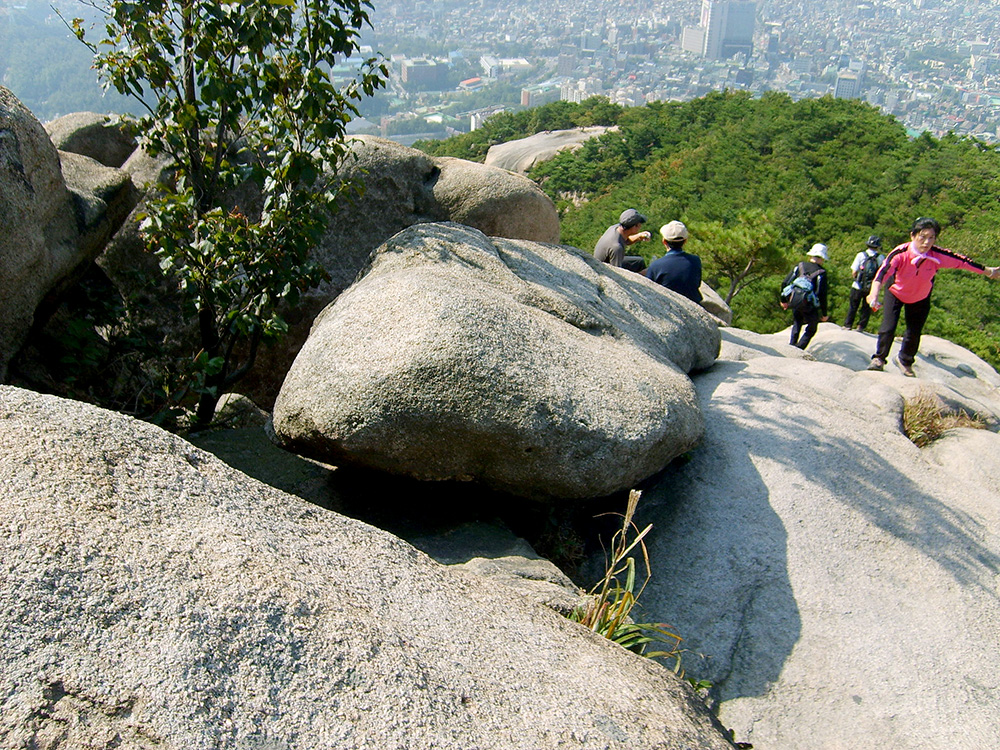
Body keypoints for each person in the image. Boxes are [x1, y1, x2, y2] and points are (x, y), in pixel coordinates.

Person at [866, 217, 1000, 376]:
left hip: (921, 296)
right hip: (896, 292)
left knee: (914, 331)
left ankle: (905, 360)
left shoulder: (937, 255)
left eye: (931, 238)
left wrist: (989, 271)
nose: (926, 242)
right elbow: (882, 273)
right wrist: (873, 294)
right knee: (888, 327)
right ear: (912, 236)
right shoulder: (900, 253)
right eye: (922, 237)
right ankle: (879, 359)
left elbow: (963, 262)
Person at [780, 243, 829, 350]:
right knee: (812, 327)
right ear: (822, 258)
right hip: (809, 304)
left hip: (795, 300)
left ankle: (792, 345)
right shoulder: (821, 273)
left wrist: (783, 300)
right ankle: (800, 348)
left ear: (811, 255)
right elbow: (822, 294)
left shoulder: (800, 266)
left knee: (797, 321)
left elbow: (785, 283)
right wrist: (824, 313)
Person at [646, 220, 702, 303]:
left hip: (667, 305)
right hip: (693, 302)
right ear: (685, 241)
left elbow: (648, 290)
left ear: (664, 241)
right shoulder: (695, 261)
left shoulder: (656, 266)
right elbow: (697, 283)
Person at [842, 235, 885, 332]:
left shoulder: (861, 255)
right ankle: (861, 326)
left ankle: (848, 325)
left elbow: (854, 271)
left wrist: (856, 279)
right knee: (866, 308)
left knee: (853, 306)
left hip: (857, 286)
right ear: (878, 246)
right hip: (871, 287)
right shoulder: (881, 257)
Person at [593, 208, 652, 273]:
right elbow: (617, 275)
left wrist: (639, 236)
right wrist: (641, 275)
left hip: (606, 262)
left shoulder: (615, 228)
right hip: (603, 270)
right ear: (635, 227)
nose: (641, 226)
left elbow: (626, 241)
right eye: (640, 224)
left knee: (639, 262)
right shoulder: (616, 247)